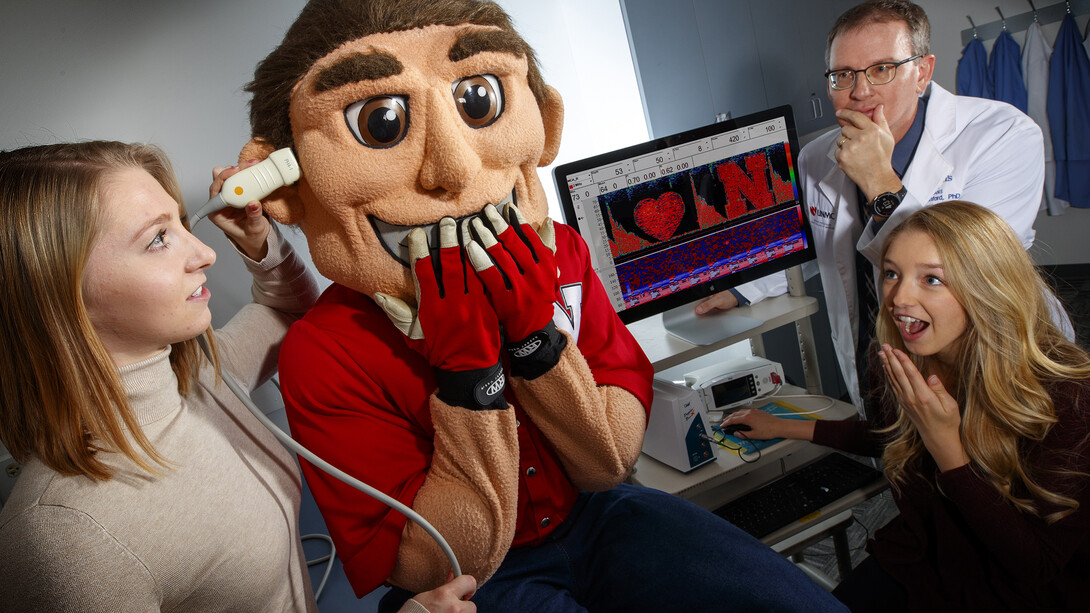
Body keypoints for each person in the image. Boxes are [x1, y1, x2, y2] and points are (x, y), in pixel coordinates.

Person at [241, 0, 848, 610]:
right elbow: (431, 559)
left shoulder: (560, 254)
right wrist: (467, 380)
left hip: (598, 513)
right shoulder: (322, 352)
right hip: (473, 579)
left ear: (545, 121)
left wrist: (538, 342)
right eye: (382, 122)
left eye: (477, 99)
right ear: (286, 183)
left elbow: (607, 464)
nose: (454, 169)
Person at [0, 141, 475, 613]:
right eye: (157, 239)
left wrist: (256, 242)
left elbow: (290, 310)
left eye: (182, 226)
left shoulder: (201, 373)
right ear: (54, 291)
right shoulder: (64, 541)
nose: (205, 252)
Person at [721, 201, 1090, 612]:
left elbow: (1035, 565)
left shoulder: (1068, 397)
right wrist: (787, 427)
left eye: (932, 279)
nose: (898, 298)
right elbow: (889, 435)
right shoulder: (904, 362)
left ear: (988, 287)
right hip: (926, 556)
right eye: (891, 274)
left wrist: (948, 447)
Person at [695, 0, 1045, 410]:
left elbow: (972, 272)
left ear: (922, 73)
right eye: (843, 75)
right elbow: (816, 239)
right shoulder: (815, 157)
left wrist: (879, 180)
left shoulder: (1002, 135)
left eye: (882, 69)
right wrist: (742, 289)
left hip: (981, 356)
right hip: (873, 351)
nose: (860, 92)